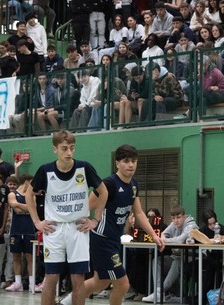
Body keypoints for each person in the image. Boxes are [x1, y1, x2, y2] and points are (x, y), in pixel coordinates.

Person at [60, 145, 163, 305]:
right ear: (117, 163)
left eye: (134, 161)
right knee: (123, 284)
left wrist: (155, 236)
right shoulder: (109, 184)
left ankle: (65, 302)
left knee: (100, 282)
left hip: (115, 240)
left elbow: (139, 213)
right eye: (126, 161)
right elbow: (86, 205)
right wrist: (86, 222)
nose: (131, 165)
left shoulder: (133, 185)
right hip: (102, 240)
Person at [25, 130, 108, 305]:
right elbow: (28, 195)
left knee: (78, 278)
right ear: (55, 149)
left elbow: (104, 192)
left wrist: (95, 220)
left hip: (78, 228)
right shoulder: (45, 170)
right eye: (64, 148)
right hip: (54, 229)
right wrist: (36, 222)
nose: (69, 152)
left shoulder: (84, 168)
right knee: (51, 277)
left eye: (72, 148)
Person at [141, 206, 198, 303]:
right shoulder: (173, 224)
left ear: (184, 217)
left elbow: (180, 240)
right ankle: (159, 293)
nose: (176, 221)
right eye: (173, 218)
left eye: (178, 217)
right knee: (157, 261)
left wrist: (165, 240)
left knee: (177, 262)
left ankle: (159, 291)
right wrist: (164, 238)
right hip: (177, 256)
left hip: (192, 259)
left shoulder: (191, 226)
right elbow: (162, 234)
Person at [6, 174, 36, 293]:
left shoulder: (31, 195)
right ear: (27, 182)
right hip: (16, 230)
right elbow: (17, 210)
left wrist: (19, 205)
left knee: (30, 257)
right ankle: (18, 283)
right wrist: (26, 207)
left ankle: (32, 284)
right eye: (32, 182)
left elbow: (32, 209)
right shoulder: (12, 194)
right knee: (16, 256)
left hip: (29, 230)